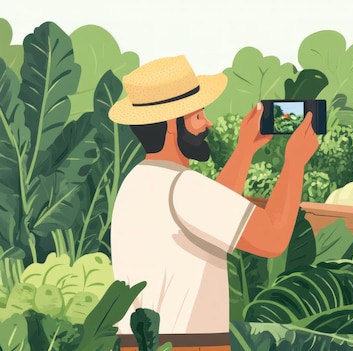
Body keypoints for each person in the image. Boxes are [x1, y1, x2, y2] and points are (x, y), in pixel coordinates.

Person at [107, 55, 319, 341]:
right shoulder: (181, 186)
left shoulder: (137, 183)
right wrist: (295, 162)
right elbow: (273, 237)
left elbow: (216, 213)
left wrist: (245, 148)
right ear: (172, 125)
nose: (207, 123)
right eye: (197, 116)